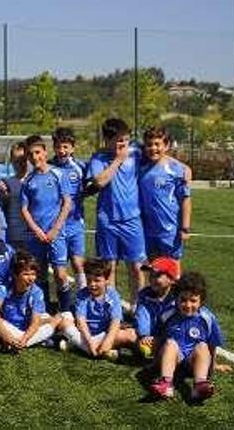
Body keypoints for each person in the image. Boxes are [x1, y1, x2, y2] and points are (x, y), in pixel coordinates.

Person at [88, 118, 147, 302]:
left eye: (126, 140)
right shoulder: (99, 158)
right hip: (108, 221)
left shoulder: (136, 153)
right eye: (119, 140)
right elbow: (99, 182)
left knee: (137, 267)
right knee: (109, 267)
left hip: (132, 220)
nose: (123, 144)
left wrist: (183, 168)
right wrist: (118, 161)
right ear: (107, 140)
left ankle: (139, 308)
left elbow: (158, 154)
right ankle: (113, 310)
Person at [149, 272, 224, 402]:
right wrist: (155, 362)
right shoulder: (168, 314)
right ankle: (166, 383)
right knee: (171, 343)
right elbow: (158, 338)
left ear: (201, 301)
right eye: (183, 300)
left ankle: (199, 384)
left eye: (193, 300)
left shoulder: (207, 318)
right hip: (172, 360)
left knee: (202, 346)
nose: (188, 305)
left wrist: (213, 366)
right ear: (176, 298)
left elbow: (212, 345)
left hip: (192, 362)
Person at [20, 134, 72, 312]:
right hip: (36, 236)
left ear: (45, 151)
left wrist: (55, 229)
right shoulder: (28, 180)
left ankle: (65, 312)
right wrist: (36, 231)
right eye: (30, 154)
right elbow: (24, 209)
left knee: (60, 274)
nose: (35, 157)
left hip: (56, 234)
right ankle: (44, 312)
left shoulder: (58, 173)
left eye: (37, 152)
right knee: (39, 274)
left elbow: (67, 203)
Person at [59, 258, 135, 360]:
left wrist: (108, 341)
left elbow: (115, 321)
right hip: (86, 336)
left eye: (97, 280)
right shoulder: (82, 295)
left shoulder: (112, 295)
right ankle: (97, 351)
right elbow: (81, 322)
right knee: (64, 322)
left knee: (129, 333)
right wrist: (90, 344)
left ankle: (77, 346)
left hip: (104, 334)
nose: (92, 284)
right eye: (89, 280)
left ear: (106, 280)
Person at [0, 251, 59, 352]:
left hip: (27, 326)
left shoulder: (37, 292)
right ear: (15, 275)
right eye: (26, 274)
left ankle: (15, 344)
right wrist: (5, 334)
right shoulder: (3, 288)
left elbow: (35, 322)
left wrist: (25, 339)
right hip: (10, 326)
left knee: (56, 319)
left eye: (33, 274)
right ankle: (41, 340)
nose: (31, 279)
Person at [139, 126, 192, 262]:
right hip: (146, 229)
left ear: (167, 146)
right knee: (152, 269)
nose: (153, 148)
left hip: (169, 229)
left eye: (158, 144)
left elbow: (185, 200)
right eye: (149, 145)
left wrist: (185, 227)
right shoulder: (140, 168)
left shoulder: (177, 170)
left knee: (172, 270)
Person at [50, 127, 88, 287]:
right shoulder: (49, 167)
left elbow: (89, 186)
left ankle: (83, 300)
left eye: (65, 147)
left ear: (72, 148)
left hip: (75, 224)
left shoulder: (80, 167)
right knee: (59, 271)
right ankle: (65, 305)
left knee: (78, 264)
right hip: (55, 225)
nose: (62, 150)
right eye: (58, 146)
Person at [133, 256, 180, 359]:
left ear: (171, 279)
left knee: (172, 344)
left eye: (158, 275)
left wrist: (160, 339)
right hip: (147, 337)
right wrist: (144, 335)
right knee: (126, 335)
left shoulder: (179, 299)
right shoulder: (145, 294)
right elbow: (142, 315)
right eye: (151, 275)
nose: (153, 279)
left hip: (169, 338)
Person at [2, 142, 30, 251]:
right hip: (14, 234)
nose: (20, 164)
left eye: (22, 160)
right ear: (11, 162)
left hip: (33, 234)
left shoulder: (35, 180)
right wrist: (4, 196)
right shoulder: (7, 183)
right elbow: (4, 208)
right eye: (16, 161)